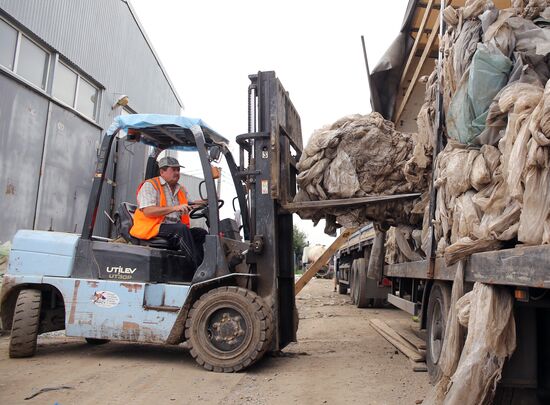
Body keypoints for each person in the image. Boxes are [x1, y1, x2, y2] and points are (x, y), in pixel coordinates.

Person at [130, 156, 207, 268]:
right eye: (173, 169)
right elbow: (148, 211)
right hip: (152, 227)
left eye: (178, 170)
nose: (177, 173)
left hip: (171, 227)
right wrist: (174, 208)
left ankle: (203, 265)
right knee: (181, 230)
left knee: (201, 233)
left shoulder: (180, 189)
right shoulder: (150, 185)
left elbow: (189, 204)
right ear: (162, 172)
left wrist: (206, 202)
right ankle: (196, 269)